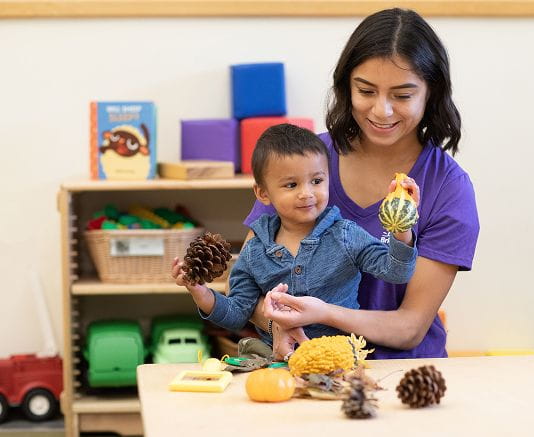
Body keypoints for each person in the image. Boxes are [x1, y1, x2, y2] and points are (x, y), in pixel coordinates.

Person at [249, 8, 480, 360]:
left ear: (431, 93)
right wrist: (281, 326)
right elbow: (243, 285)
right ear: (346, 85)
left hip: (401, 375)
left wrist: (324, 315)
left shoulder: (448, 186)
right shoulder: (305, 161)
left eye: (402, 95)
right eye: (366, 90)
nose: (381, 111)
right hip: (299, 365)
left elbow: (409, 327)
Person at [171, 123, 420, 348]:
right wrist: (200, 292)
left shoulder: (346, 235)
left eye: (317, 181)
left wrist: (402, 227)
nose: (306, 193)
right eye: (291, 185)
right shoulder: (254, 250)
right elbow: (236, 313)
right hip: (279, 360)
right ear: (263, 193)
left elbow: (397, 272)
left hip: (340, 358)